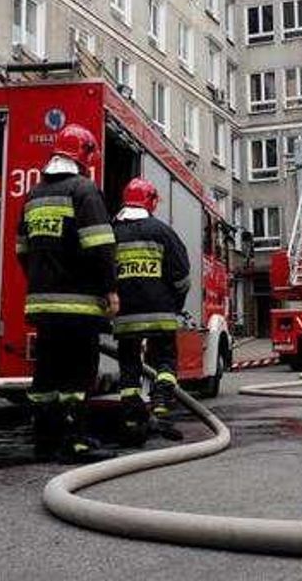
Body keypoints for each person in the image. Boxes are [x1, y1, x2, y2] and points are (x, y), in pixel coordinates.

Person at [16, 123, 119, 461]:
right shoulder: (84, 191)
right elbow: (100, 246)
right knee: (77, 374)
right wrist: (109, 289)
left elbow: (21, 250)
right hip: (79, 306)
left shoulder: (33, 196)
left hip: (43, 305)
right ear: (84, 156)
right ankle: (75, 440)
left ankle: (44, 441)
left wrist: (41, 280)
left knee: (46, 374)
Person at [111, 177, 191, 444]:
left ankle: (132, 419)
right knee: (165, 361)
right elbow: (182, 276)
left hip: (125, 317)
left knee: (129, 367)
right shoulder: (162, 231)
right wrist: (175, 305)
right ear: (151, 201)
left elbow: (101, 270)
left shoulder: (112, 232)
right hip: (161, 313)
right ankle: (161, 408)